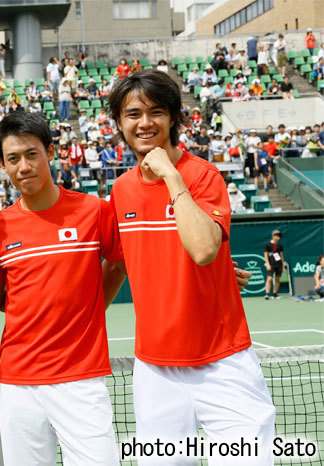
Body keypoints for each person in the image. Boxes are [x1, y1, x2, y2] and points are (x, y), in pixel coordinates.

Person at [104, 69, 274, 465]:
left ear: (174, 118)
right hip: (156, 370)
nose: (144, 123)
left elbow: (202, 250)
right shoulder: (121, 190)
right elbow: (121, 263)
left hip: (223, 362)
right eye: (132, 114)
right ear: (119, 123)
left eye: (155, 112)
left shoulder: (202, 176)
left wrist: (170, 175)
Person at [0, 111, 122, 465]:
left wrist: (90, 307)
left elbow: (119, 265)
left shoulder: (93, 211)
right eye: (13, 159)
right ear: (3, 166)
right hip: (18, 382)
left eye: (31, 154)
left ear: (50, 153)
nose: (23, 166)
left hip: (82, 380)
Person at [264, 229, 284, 300]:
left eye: (279, 236)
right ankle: (267, 294)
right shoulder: (267, 245)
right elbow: (265, 255)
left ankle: (275, 294)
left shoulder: (280, 246)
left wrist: (283, 266)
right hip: (271, 264)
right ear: (273, 236)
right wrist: (267, 264)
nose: (278, 237)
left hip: (278, 265)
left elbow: (281, 256)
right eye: (277, 236)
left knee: (277, 279)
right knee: (269, 279)